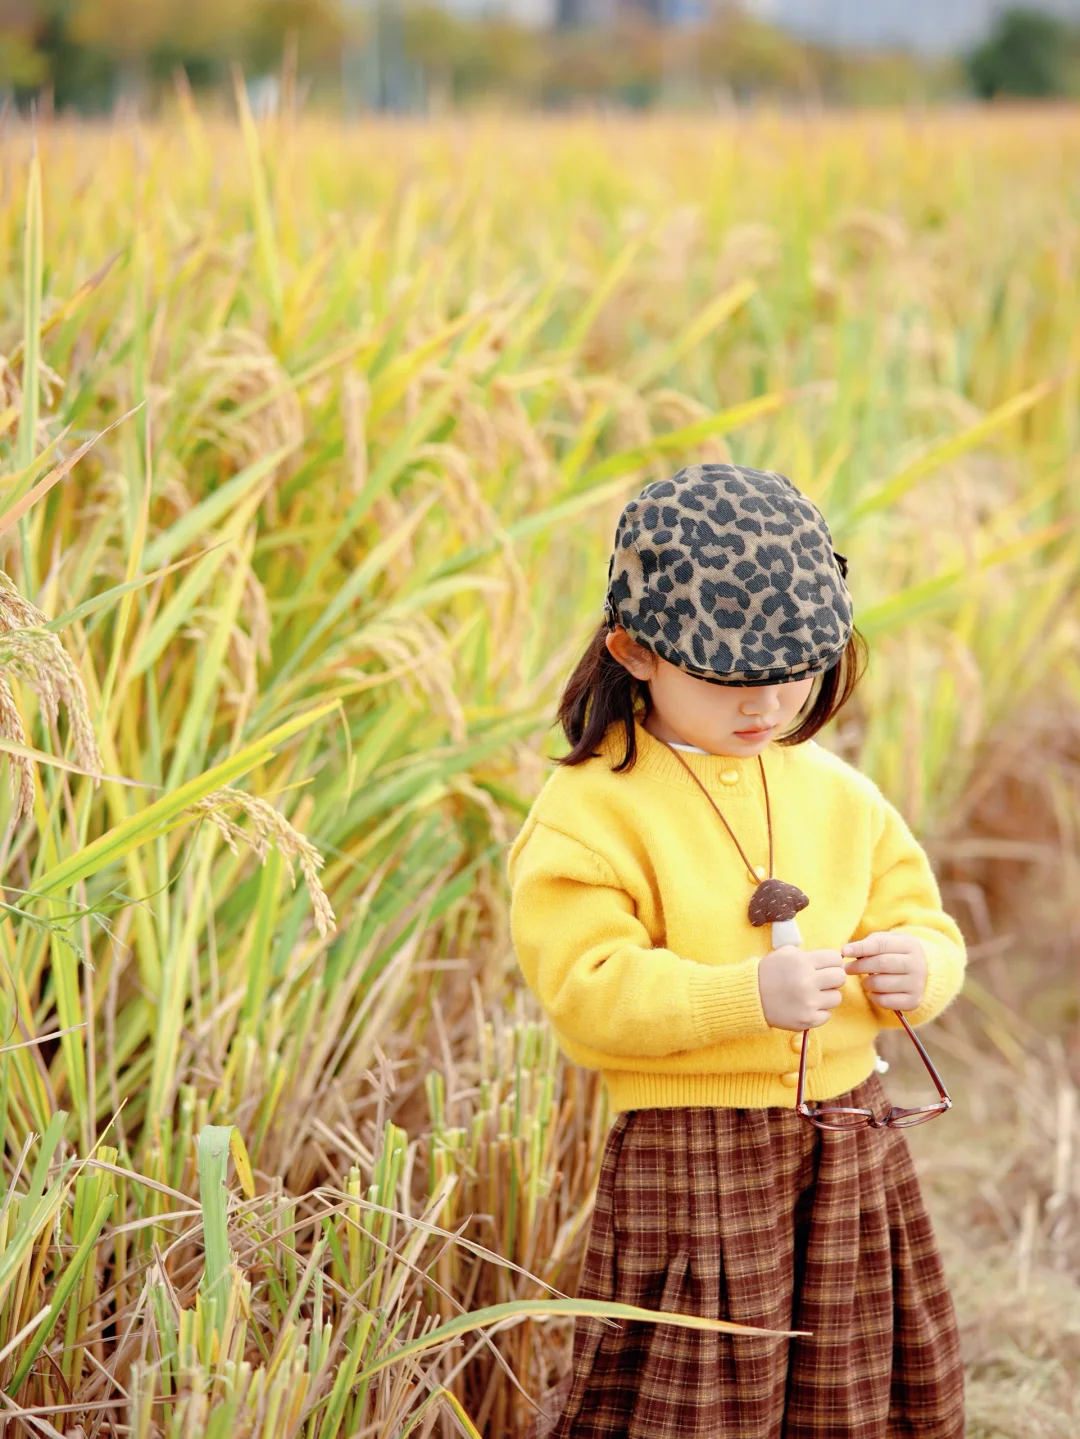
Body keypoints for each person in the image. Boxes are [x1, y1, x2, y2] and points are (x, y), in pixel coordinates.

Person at [506, 463, 967, 1439]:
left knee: (848, 1373)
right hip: (692, 1148)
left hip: (846, 1137)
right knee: (704, 1389)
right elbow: (586, 990)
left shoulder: (836, 793)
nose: (766, 705)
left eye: (793, 671)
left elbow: (923, 918)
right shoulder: (594, 810)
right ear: (633, 649)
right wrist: (742, 993)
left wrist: (917, 968)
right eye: (731, 677)